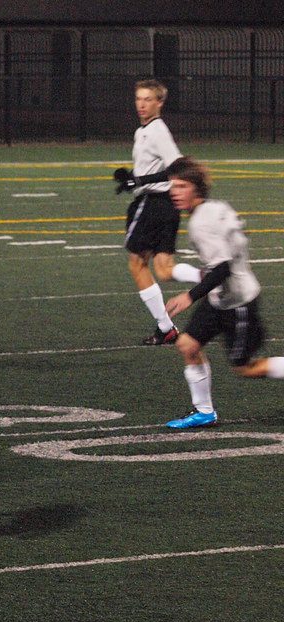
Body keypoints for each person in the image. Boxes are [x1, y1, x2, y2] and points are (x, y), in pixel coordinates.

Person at [163, 156, 284, 429]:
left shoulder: (200, 223)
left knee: (246, 368)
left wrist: (189, 295)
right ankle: (204, 413)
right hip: (220, 298)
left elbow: (224, 268)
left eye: (181, 186)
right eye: (172, 186)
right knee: (188, 345)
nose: (175, 192)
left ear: (196, 188)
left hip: (238, 302)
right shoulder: (215, 207)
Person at [113, 79, 201, 345]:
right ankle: (210, 278)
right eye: (139, 98)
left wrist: (139, 181)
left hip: (154, 203)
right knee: (163, 269)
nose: (141, 104)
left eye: (148, 99)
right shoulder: (145, 131)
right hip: (165, 204)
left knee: (137, 263)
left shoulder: (157, 130)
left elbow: (177, 166)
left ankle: (166, 328)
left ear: (160, 102)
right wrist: (133, 178)